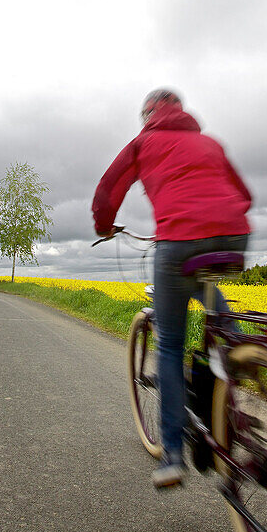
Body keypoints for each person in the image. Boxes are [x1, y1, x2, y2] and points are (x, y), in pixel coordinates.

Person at [92, 88, 252, 488]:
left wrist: (104, 226)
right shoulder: (209, 142)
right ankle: (237, 348)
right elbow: (244, 195)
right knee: (206, 286)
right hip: (233, 238)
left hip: (178, 243)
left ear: (148, 115)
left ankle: (174, 454)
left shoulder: (145, 141)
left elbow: (108, 191)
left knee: (169, 344)